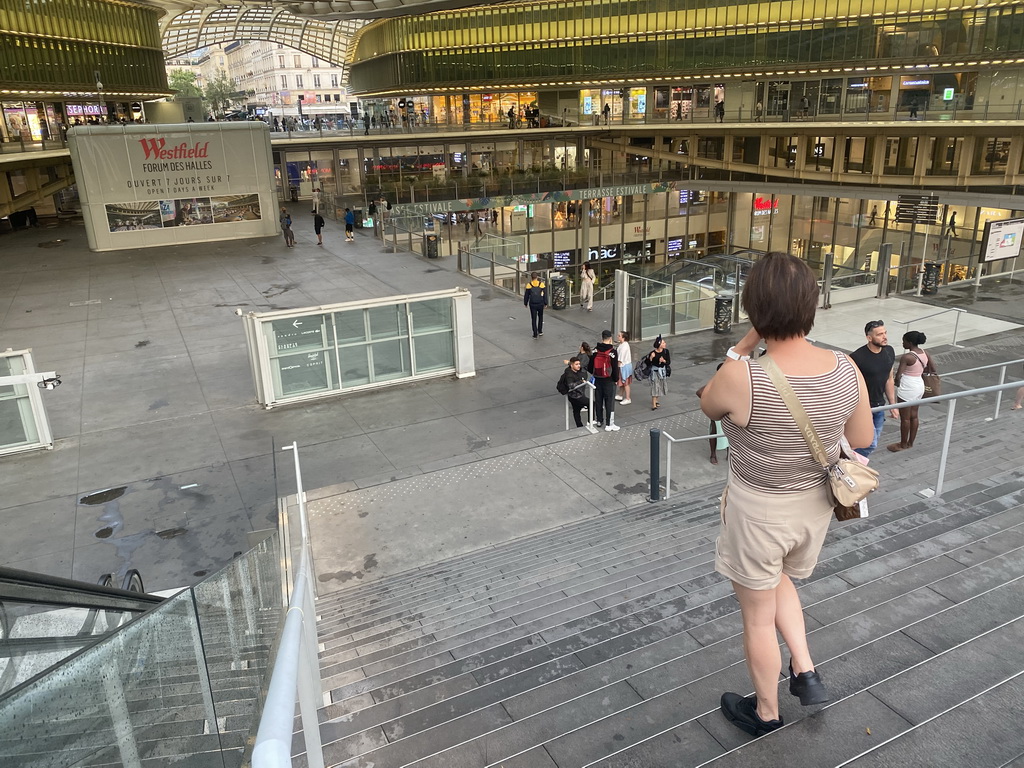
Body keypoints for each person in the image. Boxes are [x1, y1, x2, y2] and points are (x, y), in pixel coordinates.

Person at [698, 252, 872, 738]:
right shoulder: (844, 366)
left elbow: (709, 403)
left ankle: (766, 713)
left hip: (757, 511)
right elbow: (859, 438)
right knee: (781, 582)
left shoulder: (744, 374)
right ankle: (805, 666)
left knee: (756, 617)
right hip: (814, 506)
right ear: (811, 305)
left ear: (754, 308)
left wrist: (741, 347)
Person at [849, 320, 899, 457]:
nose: (884, 337)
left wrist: (892, 405)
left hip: (879, 407)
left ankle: (854, 467)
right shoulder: (857, 357)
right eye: (880, 334)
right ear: (869, 338)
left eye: (885, 333)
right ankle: (846, 460)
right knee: (871, 444)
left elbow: (889, 379)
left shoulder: (889, 351)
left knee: (869, 444)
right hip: (862, 408)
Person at [888, 331, 932, 452]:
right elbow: (931, 368)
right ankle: (910, 442)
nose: (903, 343)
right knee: (914, 415)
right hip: (919, 385)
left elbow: (898, 375)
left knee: (905, 418)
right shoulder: (924, 353)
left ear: (910, 342)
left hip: (908, 386)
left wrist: (896, 383)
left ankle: (902, 444)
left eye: (904, 341)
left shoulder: (907, 357)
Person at [588, 330, 620, 431]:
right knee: (609, 401)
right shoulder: (613, 352)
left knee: (598, 400)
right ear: (610, 338)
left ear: (602, 338)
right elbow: (615, 368)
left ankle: (599, 420)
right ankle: (609, 424)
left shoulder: (595, 350)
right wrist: (616, 379)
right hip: (609, 380)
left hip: (598, 379)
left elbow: (589, 367)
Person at [696, 364, 728, 464]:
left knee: (731, 432)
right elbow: (700, 392)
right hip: (717, 410)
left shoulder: (731, 382)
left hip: (728, 410)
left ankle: (729, 452)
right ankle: (713, 454)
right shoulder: (715, 383)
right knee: (714, 431)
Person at [558, 357, 591, 428]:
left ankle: (579, 426)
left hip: (573, 395)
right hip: (576, 396)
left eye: (579, 364)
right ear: (572, 365)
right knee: (591, 403)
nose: (579, 365)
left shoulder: (571, 371)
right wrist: (581, 382)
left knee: (576, 410)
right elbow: (571, 385)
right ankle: (590, 421)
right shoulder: (570, 375)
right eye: (576, 364)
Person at [646, 336, 671, 410]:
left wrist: (663, 361)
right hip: (655, 372)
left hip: (662, 372)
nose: (665, 344)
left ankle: (656, 400)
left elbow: (668, 362)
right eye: (663, 343)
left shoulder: (666, 351)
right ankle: (654, 404)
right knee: (655, 386)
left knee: (660, 386)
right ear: (659, 345)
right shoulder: (653, 353)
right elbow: (648, 363)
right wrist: (651, 358)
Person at [523, 272, 547, 338]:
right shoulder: (541, 284)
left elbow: (526, 295)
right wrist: (545, 303)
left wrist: (525, 303)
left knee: (533, 318)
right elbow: (545, 295)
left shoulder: (529, 285)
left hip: (532, 304)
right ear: (537, 277)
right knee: (540, 317)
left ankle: (535, 333)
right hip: (540, 303)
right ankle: (540, 331)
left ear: (531, 277)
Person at [615, 330, 632, 405]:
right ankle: (620, 395)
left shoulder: (624, 347)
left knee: (625, 382)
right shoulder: (623, 344)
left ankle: (628, 398)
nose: (617, 337)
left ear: (623, 338)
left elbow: (620, 359)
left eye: (619, 336)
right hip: (624, 365)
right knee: (622, 381)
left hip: (624, 366)